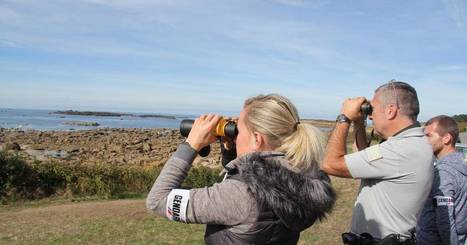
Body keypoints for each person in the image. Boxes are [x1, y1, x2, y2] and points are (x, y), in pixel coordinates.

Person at [146, 94, 336, 244]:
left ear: (256, 139)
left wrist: (191, 144)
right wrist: (231, 152)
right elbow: (254, 176)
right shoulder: (305, 176)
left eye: (239, 130)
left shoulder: (240, 194)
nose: (235, 135)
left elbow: (157, 200)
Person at [320, 80, 434, 243]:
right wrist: (359, 124)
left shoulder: (400, 150)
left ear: (390, 111)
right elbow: (364, 158)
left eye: (372, 109)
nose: (371, 115)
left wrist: (344, 117)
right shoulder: (412, 143)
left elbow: (330, 164)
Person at [416, 115, 467, 245]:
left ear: (446, 138)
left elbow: (445, 221)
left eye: (429, 136)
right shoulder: (460, 164)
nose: (424, 141)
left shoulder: (444, 172)